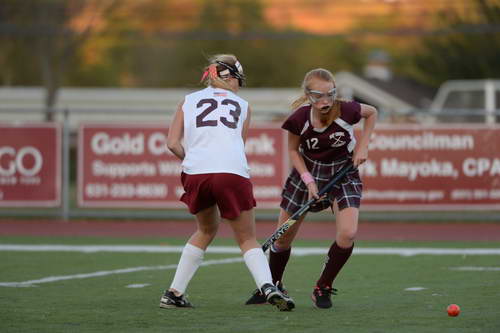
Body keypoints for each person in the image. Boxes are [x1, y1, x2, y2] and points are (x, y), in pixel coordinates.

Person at [160, 54, 295, 311]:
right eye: (237, 80)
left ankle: (173, 293)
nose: (238, 86)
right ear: (229, 77)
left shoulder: (187, 101)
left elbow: (172, 143)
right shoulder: (243, 105)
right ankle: (268, 286)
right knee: (246, 238)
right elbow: (237, 146)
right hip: (231, 171)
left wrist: (194, 160)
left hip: (196, 172)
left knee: (205, 230)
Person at [245, 68, 377, 309]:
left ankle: (323, 286)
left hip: (343, 174)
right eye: (318, 96)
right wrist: (309, 182)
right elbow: (293, 151)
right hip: (305, 174)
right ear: (308, 95)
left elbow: (373, 113)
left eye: (330, 94)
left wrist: (363, 147)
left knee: (347, 234)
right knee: (282, 239)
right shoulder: (299, 118)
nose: (325, 101)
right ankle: (274, 285)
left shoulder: (347, 109)